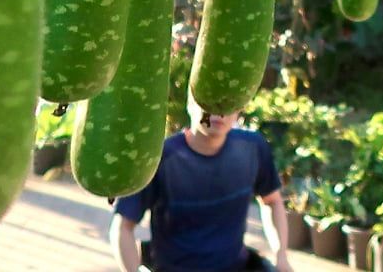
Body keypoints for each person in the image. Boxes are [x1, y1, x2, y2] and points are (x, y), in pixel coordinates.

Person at [108, 100, 295, 272]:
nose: (218, 113)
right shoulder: (158, 159)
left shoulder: (252, 147)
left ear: (239, 109)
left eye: (227, 104)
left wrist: (281, 256)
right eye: (209, 103)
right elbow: (123, 227)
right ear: (190, 104)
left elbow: (272, 201)